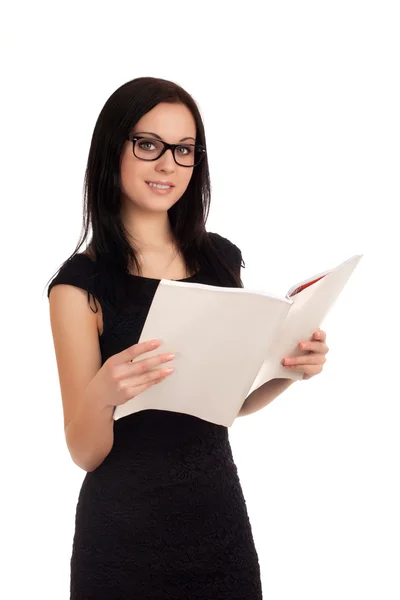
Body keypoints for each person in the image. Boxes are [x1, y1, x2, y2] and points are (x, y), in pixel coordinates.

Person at [46, 76, 264, 599]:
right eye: (148, 145)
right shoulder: (81, 285)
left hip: (220, 525)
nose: (168, 164)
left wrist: (287, 369)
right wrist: (104, 393)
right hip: (122, 541)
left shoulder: (219, 259)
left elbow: (222, 403)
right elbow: (85, 451)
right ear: (111, 150)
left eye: (184, 149)